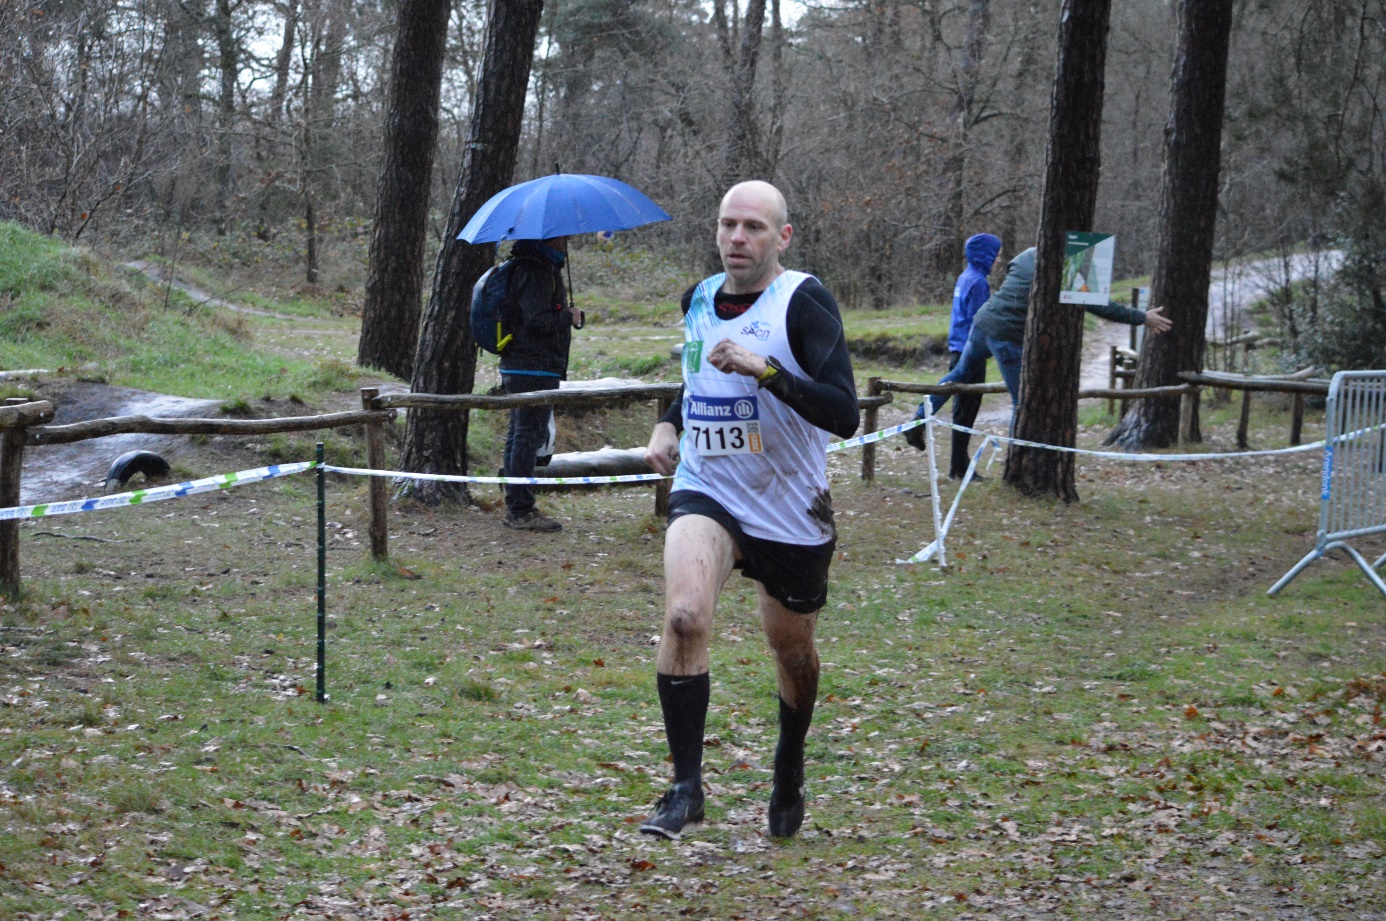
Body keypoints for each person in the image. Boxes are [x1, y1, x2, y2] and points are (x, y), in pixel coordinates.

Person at [640, 181, 859, 840]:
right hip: (709, 488)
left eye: (755, 227)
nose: (739, 237)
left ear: (782, 237)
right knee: (684, 616)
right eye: (729, 224)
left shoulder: (805, 303)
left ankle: (789, 764)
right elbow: (695, 379)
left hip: (790, 506)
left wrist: (767, 372)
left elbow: (844, 412)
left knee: (792, 653)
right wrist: (667, 423)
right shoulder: (699, 299)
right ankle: (686, 787)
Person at [908, 246, 1171, 457]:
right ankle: (1018, 459)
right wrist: (1140, 317)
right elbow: (1099, 305)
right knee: (1021, 401)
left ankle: (917, 420)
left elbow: (1014, 273)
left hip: (983, 321)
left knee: (958, 374)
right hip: (1007, 336)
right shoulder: (1068, 267)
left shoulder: (1028, 254)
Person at [498, 236, 583, 532]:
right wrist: (566, 316)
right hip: (533, 365)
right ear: (548, 237)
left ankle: (517, 503)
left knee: (520, 434)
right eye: (563, 236)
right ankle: (520, 509)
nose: (568, 241)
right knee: (527, 436)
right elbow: (537, 320)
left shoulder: (534, 265)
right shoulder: (536, 270)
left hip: (525, 363)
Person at [904, 233, 1002, 478]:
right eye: (997, 255)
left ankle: (958, 467)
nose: (999, 260)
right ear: (986, 255)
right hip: (970, 351)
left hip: (958, 348)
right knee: (966, 411)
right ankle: (919, 422)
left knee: (962, 410)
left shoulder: (966, 276)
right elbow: (980, 322)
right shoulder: (978, 282)